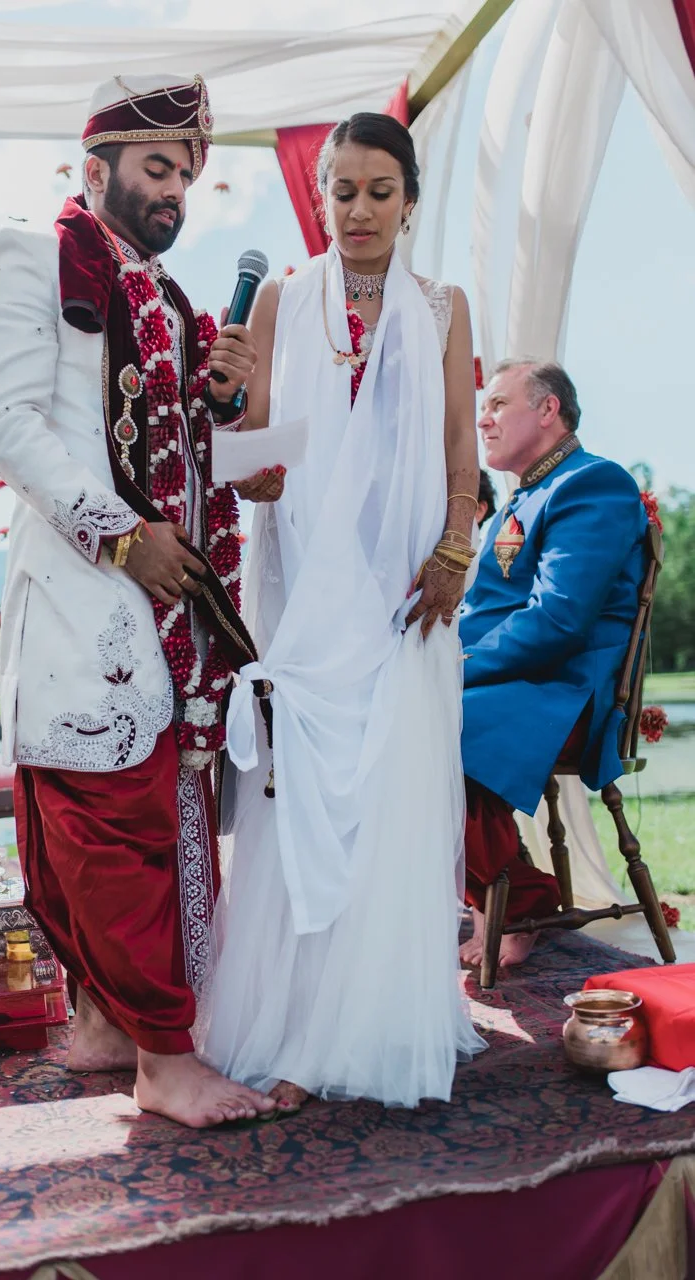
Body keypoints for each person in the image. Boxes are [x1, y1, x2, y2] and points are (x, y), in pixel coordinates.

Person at [0, 72, 279, 1128]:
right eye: (157, 168)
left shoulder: (171, 300)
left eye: (188, 176)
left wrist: (222, 392)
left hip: (171, 605)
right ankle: (163, 1058)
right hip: (86, 597)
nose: (176, 193)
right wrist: (120, 535)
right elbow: (8, 424)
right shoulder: (30, 255)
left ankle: (112, 1026)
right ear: (91, 167)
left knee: (159, 817)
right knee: (112, 826)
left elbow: (182, 451)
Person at [196, 113, 486, 1110]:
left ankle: (364, 1028)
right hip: (302, 601)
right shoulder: (282, 295)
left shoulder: (442, 309)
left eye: (377, 190)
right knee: (299, 810)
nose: (357, 210)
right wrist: (235, 414)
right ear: (317, 199)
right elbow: (258, 462)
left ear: (408, 200)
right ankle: (290, 1030)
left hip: (403, 598)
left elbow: (459, 446)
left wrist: (455, 547)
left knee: (385, 809)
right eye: (340, 192)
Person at [459, 360, 648, 968]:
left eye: (497, 404)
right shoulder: (532, 490)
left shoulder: (592, 484)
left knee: (415, 726)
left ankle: (521, 901)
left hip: (563, 691)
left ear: (548, 410)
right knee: (388, 716)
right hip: (519, 683)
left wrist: (450, 669)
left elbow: (557, 621)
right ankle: (518, 895)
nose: (482, 419)